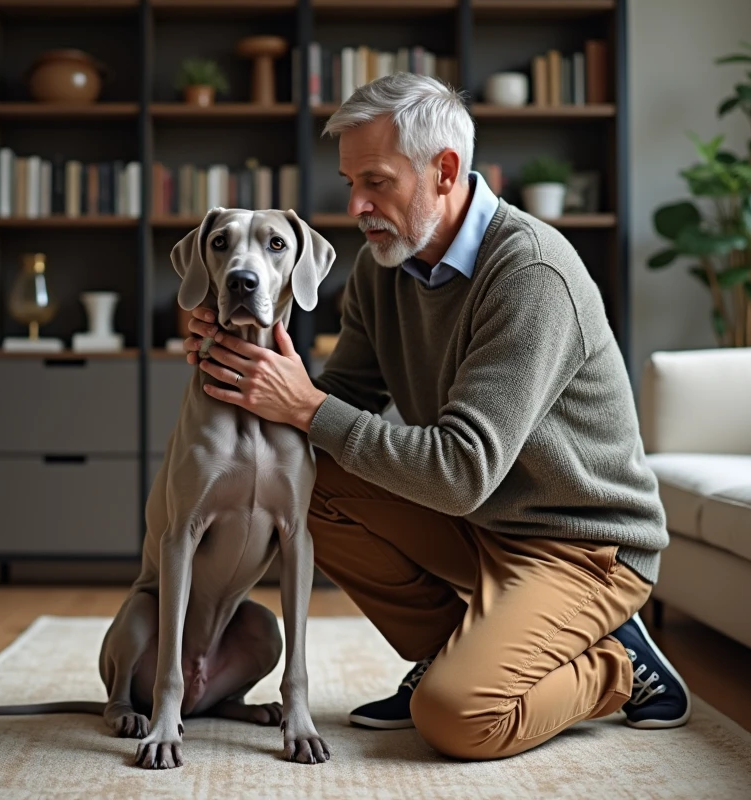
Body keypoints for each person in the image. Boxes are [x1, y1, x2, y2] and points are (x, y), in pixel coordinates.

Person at [181, 72, 690, 761]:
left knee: (455, 717)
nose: (356, 205)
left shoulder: (531, 274)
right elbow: (342, 404)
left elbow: (461, 471)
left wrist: (306, 404)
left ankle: (620, 668)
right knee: (309, 476)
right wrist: (238, 359)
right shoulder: (380, 268)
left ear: (444, 170)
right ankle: (458, 652)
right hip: (482, 525)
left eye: (377, 182)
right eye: (349, 182)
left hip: (582, 545)